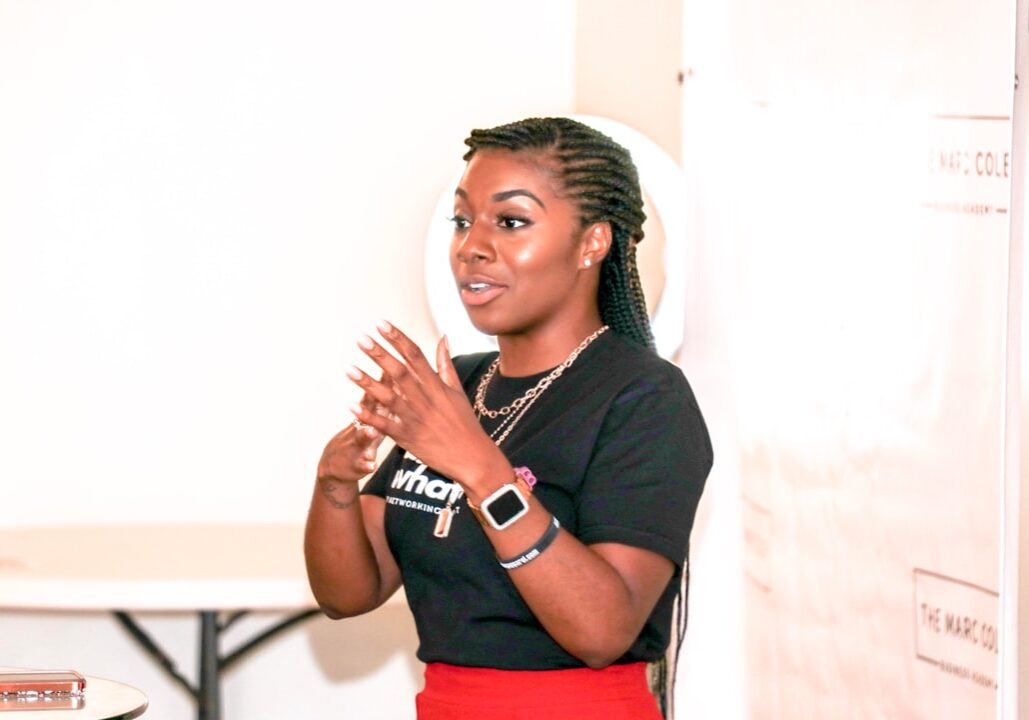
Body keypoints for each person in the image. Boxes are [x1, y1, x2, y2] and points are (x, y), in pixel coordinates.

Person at [304, 117, 712, 719]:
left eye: (511, 221)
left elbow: (602, 631)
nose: (472, 246)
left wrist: (479, 469)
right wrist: (334, 484)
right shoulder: (460, 386)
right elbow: (349, 594)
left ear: (592, 243)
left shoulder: (644, 397)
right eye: (463, 221)